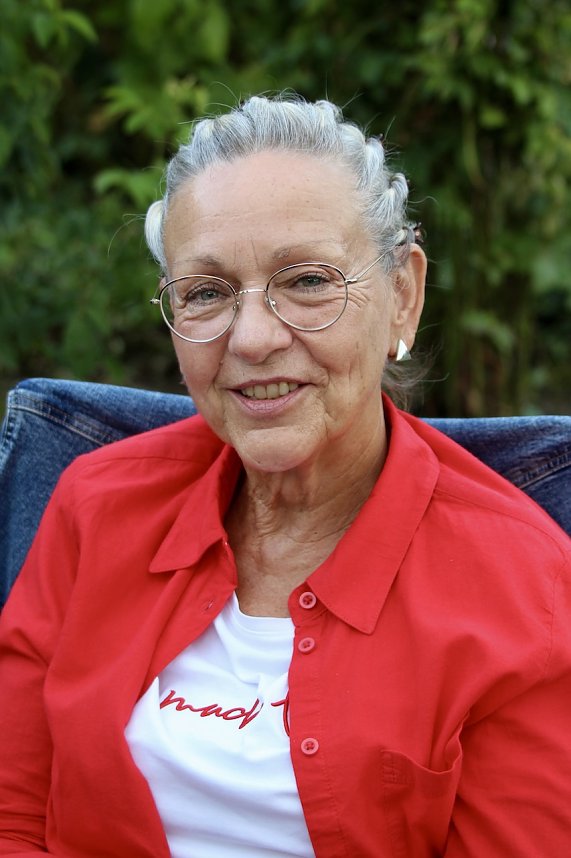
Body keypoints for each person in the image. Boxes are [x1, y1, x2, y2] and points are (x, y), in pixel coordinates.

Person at [0, 94, 569, 858]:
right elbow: (13, 812)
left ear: (403, 295)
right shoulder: (95, 504)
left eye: (305, 280)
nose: (254, 338)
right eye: (206, 293)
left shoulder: (521, 587)